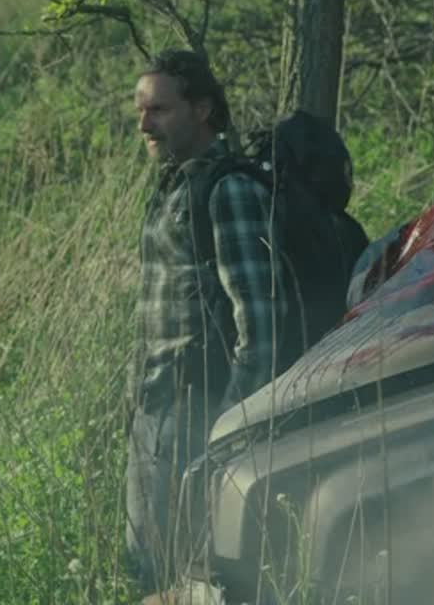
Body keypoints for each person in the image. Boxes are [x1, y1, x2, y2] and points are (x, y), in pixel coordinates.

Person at [125, 48, 303, 603]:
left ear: (201, 110)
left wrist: (231, 425)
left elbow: (261, 320)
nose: (144, 124)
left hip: (198, 411)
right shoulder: (175, 186)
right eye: (140, 110)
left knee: (189, 576)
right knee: (152, 570)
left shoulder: (229, 191)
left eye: (159, 110)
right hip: (158, 405)